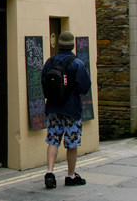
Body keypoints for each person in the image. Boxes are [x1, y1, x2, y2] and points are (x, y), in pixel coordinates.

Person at [41, 31, 91, 189]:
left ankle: (49, 172)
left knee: (53, 140)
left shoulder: (50, 62)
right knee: (72, 143)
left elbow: (43, 83)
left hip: (53, 108)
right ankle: (70, 175)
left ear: (59, 45)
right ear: (72, 45)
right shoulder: (77, 63)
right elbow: (85, 87)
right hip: (71, 110)